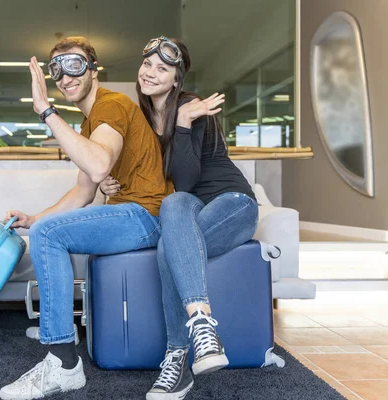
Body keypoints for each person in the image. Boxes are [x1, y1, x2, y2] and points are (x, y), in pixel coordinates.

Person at [0, 36, 173, 400]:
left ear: (94, 70)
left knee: (49, 235)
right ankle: (59, 333)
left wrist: (45, 110)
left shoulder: (111, 105)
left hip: (147, 215)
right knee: (45, 230)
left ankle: (63, 364)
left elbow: (97, 163)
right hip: (131, 212)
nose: (65, 77)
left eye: (74, 65)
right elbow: (83, 191)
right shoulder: (90, 123)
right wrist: (33, 218)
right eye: (56, 71)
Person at [100, 36, 258, 400]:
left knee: (169, 241)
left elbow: (187, 180)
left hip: (233, 204)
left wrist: (185, 123)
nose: (151, 73)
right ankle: (197, 338)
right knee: (172, 217)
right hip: (188, 209)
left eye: (162, 68)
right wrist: (112, 180)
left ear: (176, 79)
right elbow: (163, 185)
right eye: (147, 65)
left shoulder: (190, 107)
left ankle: (179, 356)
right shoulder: (140, 119)